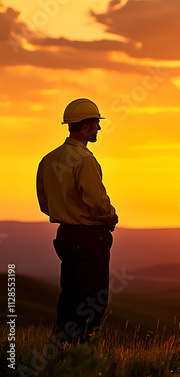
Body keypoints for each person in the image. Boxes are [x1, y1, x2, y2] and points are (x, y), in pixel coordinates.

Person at [36, 98, 118, 343]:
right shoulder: (84, 160)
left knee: (69, 295)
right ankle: (84, 353)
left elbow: (45, 203)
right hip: (90, 237)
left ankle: (60, 347)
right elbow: (96, 202)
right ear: (84, 127)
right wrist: (110, 217)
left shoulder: (49, 160)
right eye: (95, 124)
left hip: (65, 236)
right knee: (93, 299)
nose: (98, 129)